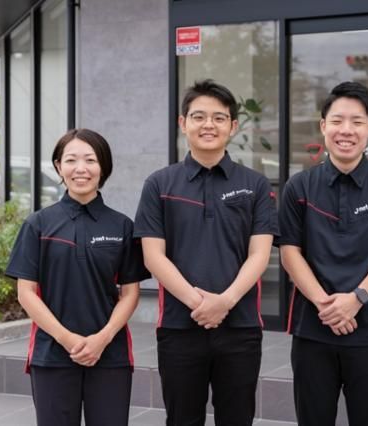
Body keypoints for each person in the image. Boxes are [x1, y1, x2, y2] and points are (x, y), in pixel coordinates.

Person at [134, 79, 278, 425]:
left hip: (240, 326)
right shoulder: (159, 184)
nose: (208, 125)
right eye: (199, 117)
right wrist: (200, 304)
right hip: (180, 327)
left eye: (218, 117)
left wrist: (225, 301)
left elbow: (260, 254)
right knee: (182, 419)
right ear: (183, 123)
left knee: (237, 418)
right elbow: (153, 256)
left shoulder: (255, 185)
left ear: (233, 126)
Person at [277, 81, 368, 426]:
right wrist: (326, 305)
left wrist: (356, 299)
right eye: (337, 121)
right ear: (323, 126)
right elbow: (290, 253)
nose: (346, 130)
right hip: (312, 329)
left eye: (357, 121)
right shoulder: (299, 186)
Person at [6, 128, 150, 426]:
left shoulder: (122, 226)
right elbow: (26, 293)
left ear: (103, 167)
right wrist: (68, 339)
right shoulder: (38, 224)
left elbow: (130, 293)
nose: (80, 168)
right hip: (52, 354)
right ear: (58, 166)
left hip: (110, 354)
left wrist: (102, 338)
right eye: (71, 160)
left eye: (90, 160)